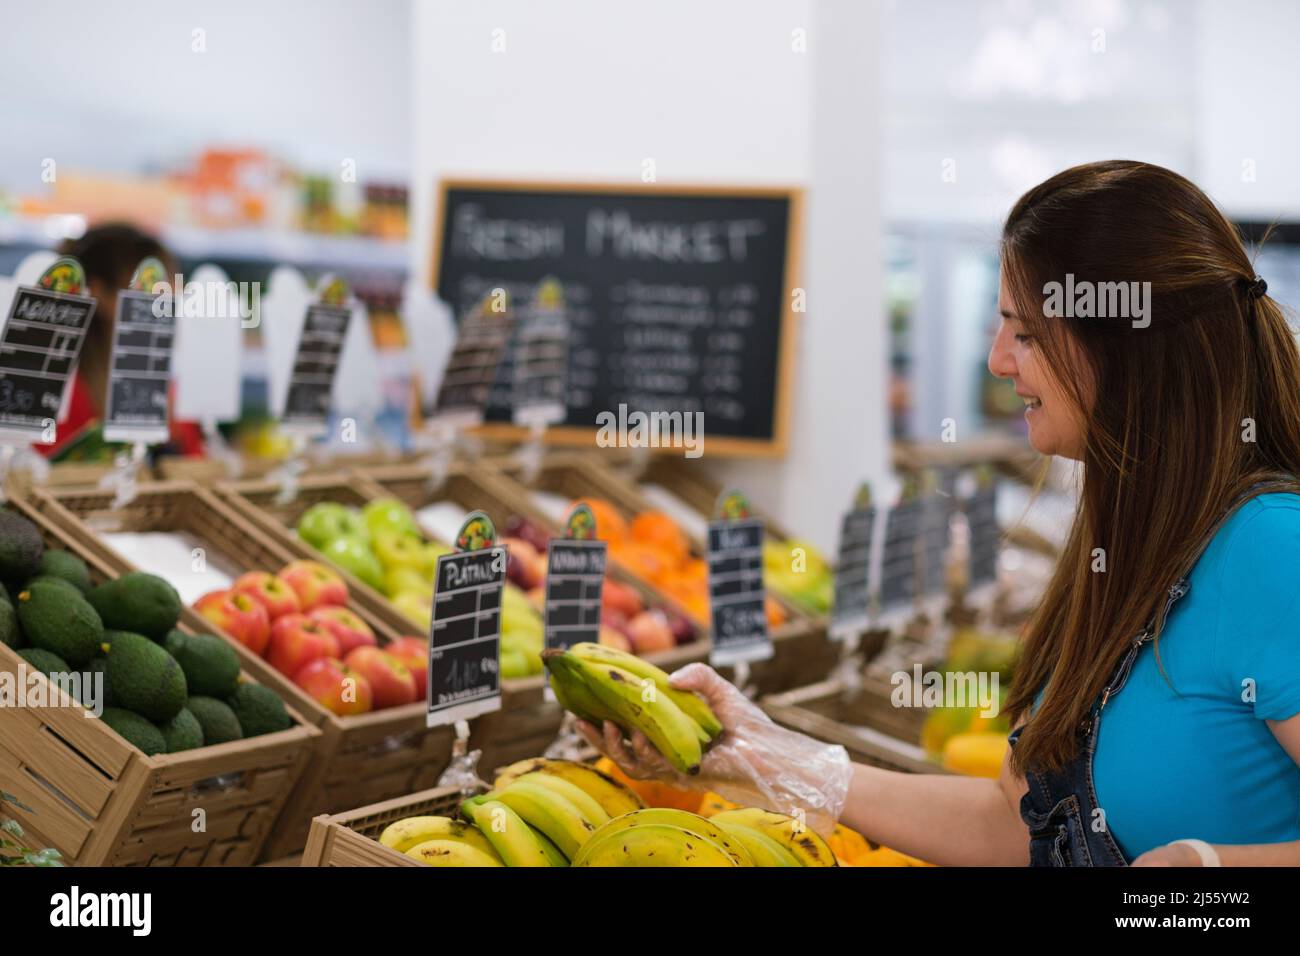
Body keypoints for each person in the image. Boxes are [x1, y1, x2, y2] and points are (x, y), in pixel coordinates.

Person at [578, 161, 1300, 867]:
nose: (996, 361)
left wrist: (1210, 874)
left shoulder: (1270, 549)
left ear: (1124, 344)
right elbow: (1011, 827)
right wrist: (759, 757)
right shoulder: (1131, 550)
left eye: (1024, 333)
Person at [41, 223, 204, 460]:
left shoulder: (168, 391)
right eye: (148, 290)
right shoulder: (60, 392)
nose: (163, 306)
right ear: (97, 291)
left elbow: (195, 467)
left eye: (168, 292)